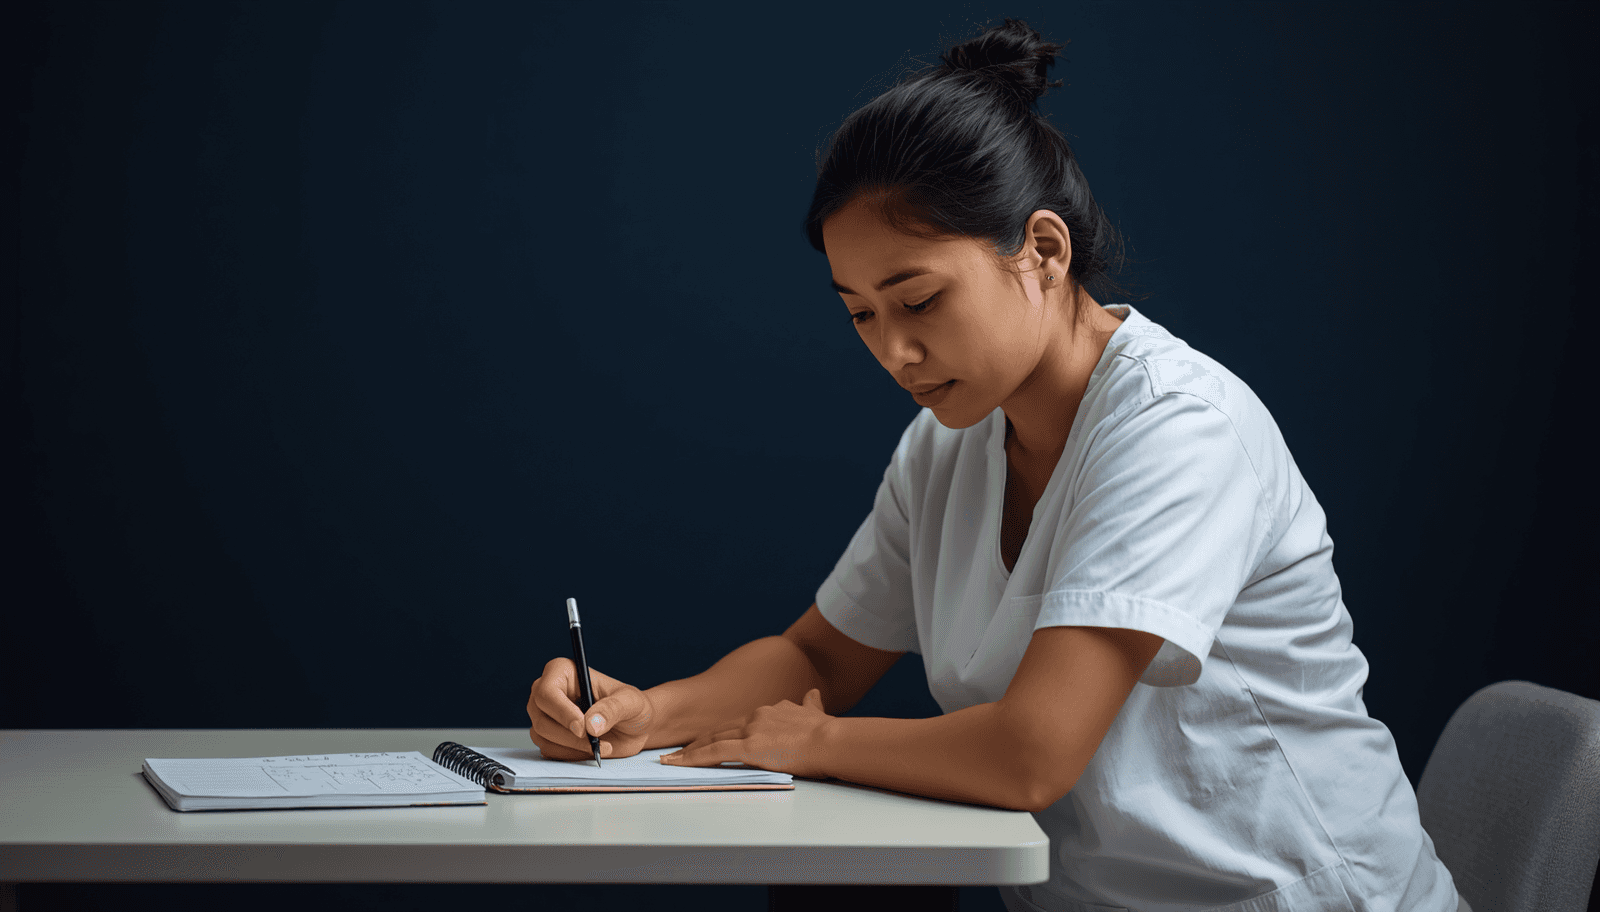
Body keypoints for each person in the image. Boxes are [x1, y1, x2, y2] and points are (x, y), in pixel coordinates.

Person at [527, 17, 1467, 912]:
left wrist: (817, 740)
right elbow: (819, 654)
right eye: (861, 314)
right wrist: (649, 713)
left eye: (920, 300)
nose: (893, 351)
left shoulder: (1179, 431)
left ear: (1044, 251)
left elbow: (1032, 756)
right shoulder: (948, 442)